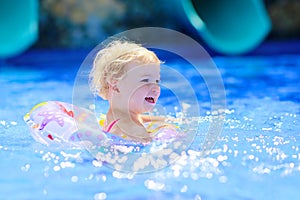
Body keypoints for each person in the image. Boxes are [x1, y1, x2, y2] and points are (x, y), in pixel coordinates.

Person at [89, 40, 169, 143]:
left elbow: (141, 119)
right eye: (145, 80)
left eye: (157, 81)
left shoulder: (119, 115)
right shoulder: (131, 128)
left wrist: (167, 122)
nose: (155, 88)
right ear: (115, 84)